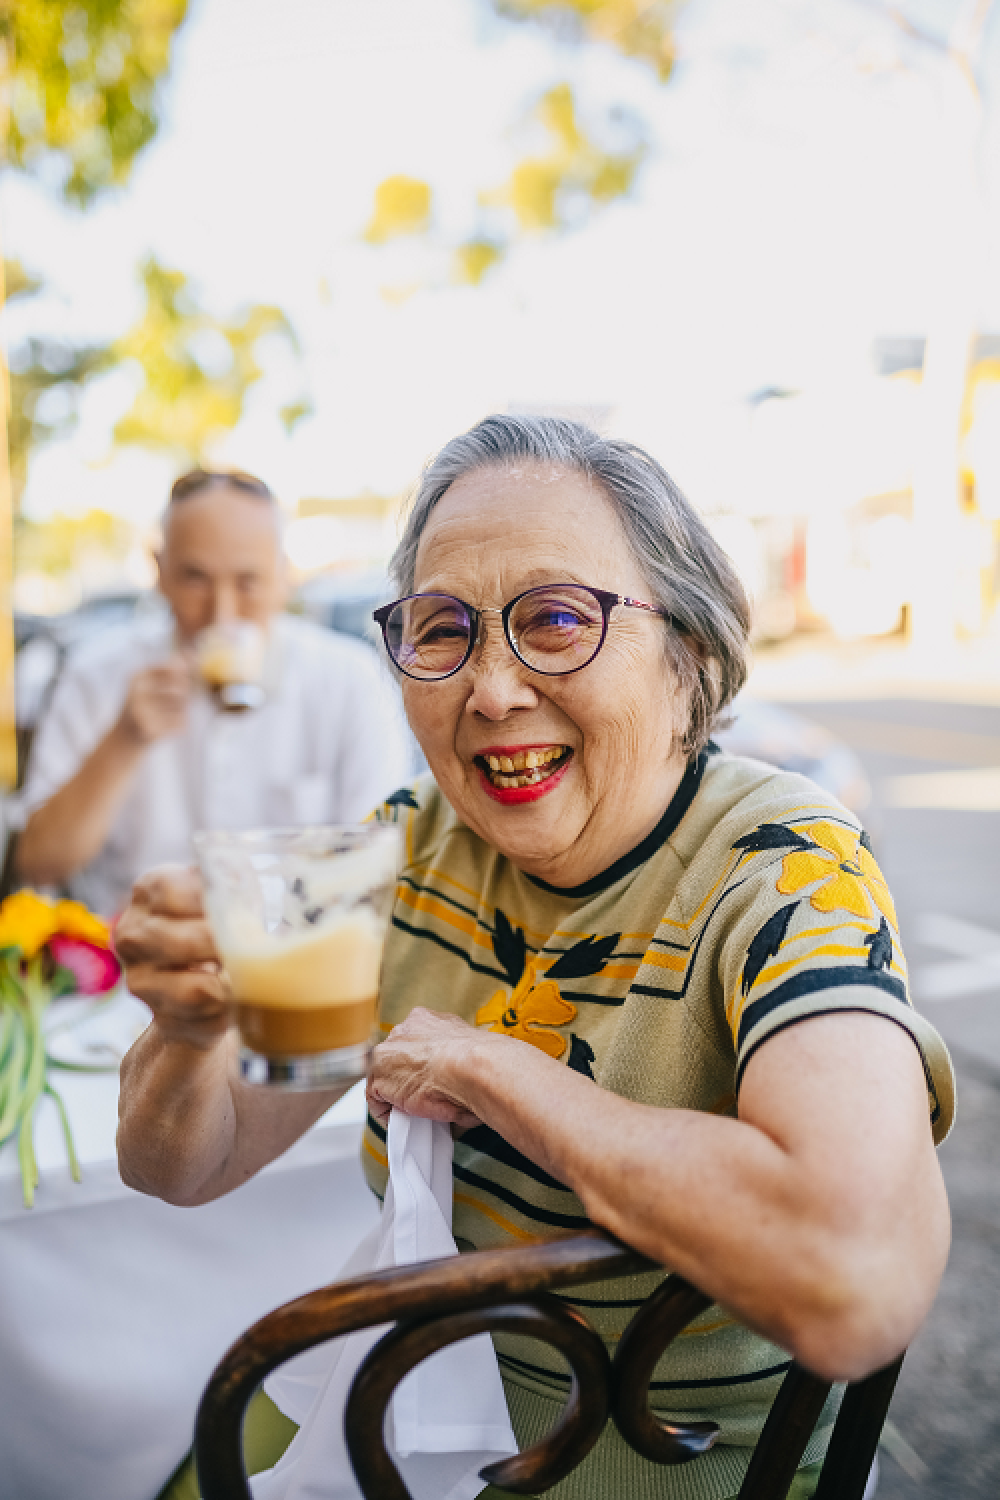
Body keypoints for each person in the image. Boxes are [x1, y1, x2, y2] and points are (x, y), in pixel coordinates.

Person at [116, 418, 953, 1500]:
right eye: (442, 629)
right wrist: (189, 1033)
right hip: (411, 1434)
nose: (493, 688)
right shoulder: (411, 843)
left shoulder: (786, 866)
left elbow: (857, 1288)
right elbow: (183, 1166)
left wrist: (493, 1069)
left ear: (686, 651)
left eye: (556, 620)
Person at [15, 469, 410, 916]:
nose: (222, 614)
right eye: (195, 579)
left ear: (284, 577)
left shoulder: (348, 682)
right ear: (159, 573)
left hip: (296, 964)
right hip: (128, 966)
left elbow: (379, 863)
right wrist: (124, 741)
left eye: (248, 582)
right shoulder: (98, 675)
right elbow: (38, 863)